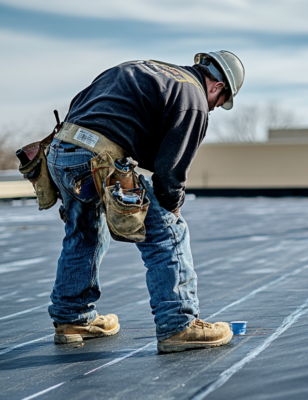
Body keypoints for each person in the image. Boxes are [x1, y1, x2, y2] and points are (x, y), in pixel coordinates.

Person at [45, 51, 245, 353]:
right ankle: (179, 325)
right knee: (168, 232)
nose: (215, 108)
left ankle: (73, 318)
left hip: (61, 151)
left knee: (85, 231)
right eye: (219, 102)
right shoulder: (194, 99)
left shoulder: (146, 68)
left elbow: (82, 103)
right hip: (98, 157)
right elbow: (169, 176)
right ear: (217, 87)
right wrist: (172, 208)